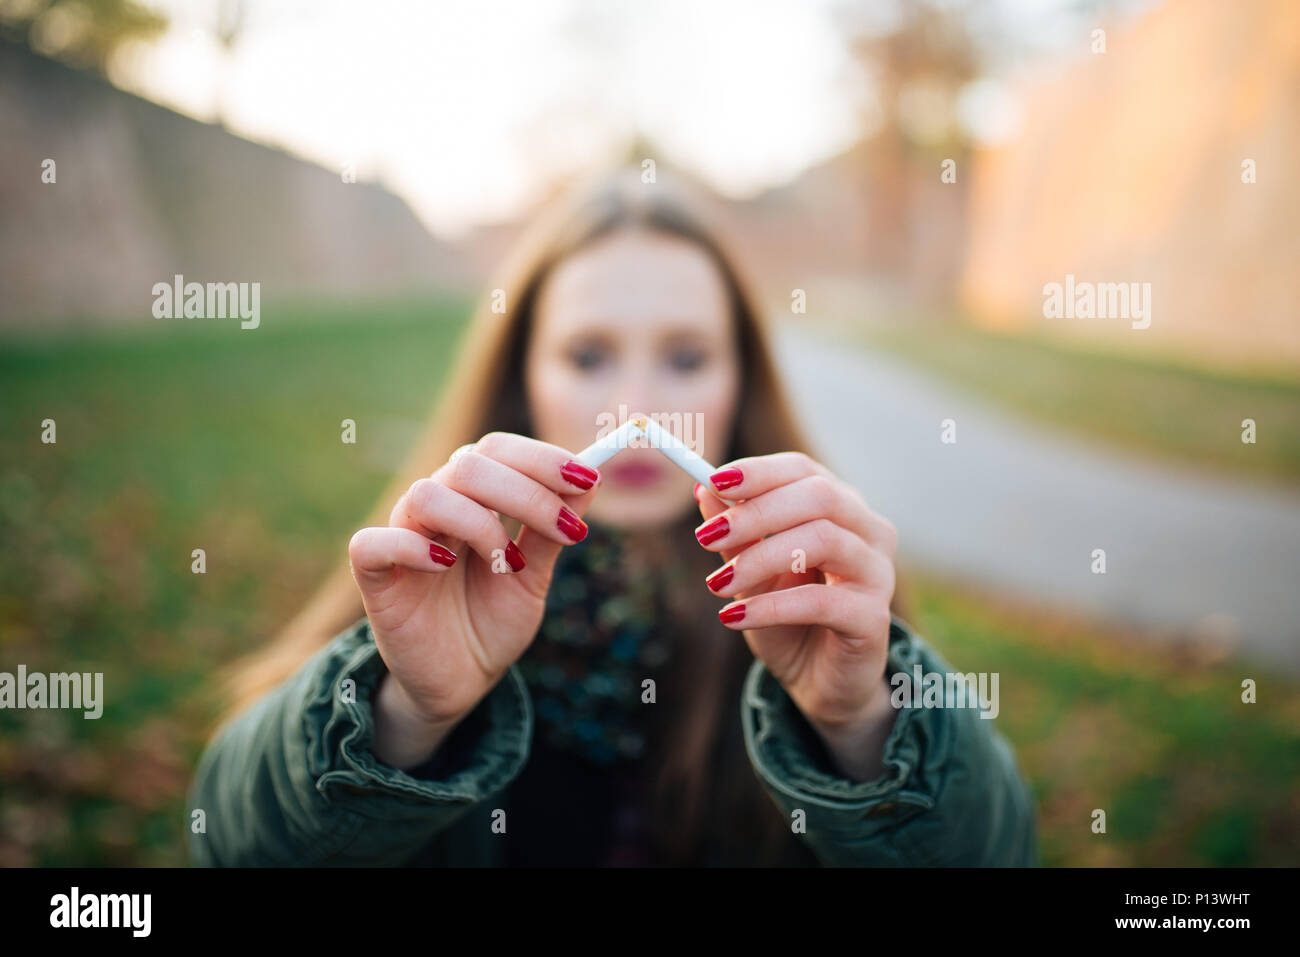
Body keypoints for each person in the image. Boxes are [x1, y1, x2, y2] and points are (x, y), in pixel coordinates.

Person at [187, 165, 1037, 866]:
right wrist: (404, 712)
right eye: (589, 355)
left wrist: (862, 727)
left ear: (740, 377)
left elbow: (999, 852)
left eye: (687, 355)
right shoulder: (435, 576)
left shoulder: (812, 592)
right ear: (525, 376)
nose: (638, 409)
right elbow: (228, 842)